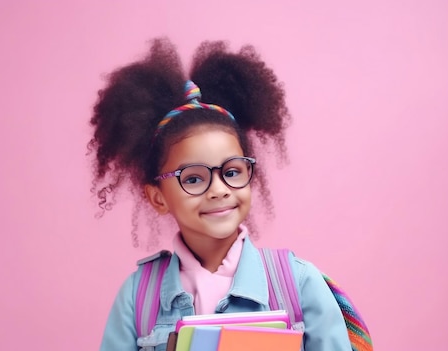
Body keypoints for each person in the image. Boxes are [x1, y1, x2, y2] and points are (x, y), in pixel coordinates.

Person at [89, 38, 351, 351]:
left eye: (231, 172)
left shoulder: (299, 284)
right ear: (157, 197)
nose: (218, 190)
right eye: (194, 178)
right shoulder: (138, 299)